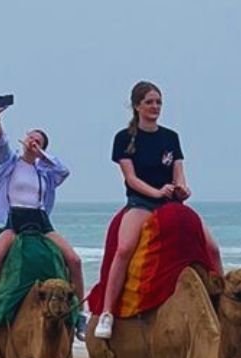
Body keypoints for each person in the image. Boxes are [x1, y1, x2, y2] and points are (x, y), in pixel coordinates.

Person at [93, 80, 222, 340]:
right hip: (141, 203)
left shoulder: (170, 137)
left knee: (212, 247)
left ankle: (222, 302)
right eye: (149, 102)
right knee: (124, 248)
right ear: (137, 106)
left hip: (170, 203)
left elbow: (179, 173)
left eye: (158, 102)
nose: (155, 107)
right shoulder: (124, 138)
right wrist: (155, 192)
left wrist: (182, 189)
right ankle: (107, 312)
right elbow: (131, 178)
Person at [0, 103, 84, 310]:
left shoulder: (46, 172)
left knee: (74, 260)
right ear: (24, 140)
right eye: (31, 137)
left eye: (38, 141)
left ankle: (79, 311)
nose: (33, 142)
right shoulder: (10, 163)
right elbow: (0, 143)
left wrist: (41, 155)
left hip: (40, 221)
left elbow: (63, 171)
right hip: (15, 221)